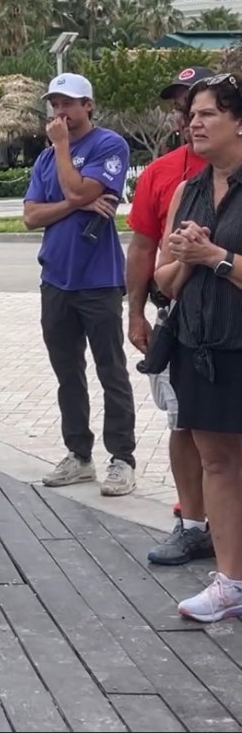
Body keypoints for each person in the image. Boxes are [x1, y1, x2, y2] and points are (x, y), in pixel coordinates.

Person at [23, 73, 137, 497]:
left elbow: (76, 185)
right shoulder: (45, 158)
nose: (60, 113)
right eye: (55, 104)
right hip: (56, 277)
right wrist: (78, 202)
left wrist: (63, 153)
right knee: (66, 371)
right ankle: (79, 455)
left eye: (68, 104)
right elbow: (31, 216)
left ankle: (122, 457)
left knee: (111, 370)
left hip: (99, 279)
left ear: (88, 105)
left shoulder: (109, 145)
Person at [154, 73, 242, 622]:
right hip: (200, 347)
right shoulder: (188, 190)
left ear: (238, 121)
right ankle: (230, 582)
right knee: (217, 461)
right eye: (192, 115)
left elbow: (218, 260)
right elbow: (164, 280)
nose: (194, 123)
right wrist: (188, 258)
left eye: (207, 113)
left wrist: (216, 258)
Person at [127, 67, 212, 567]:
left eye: (201, 106)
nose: (190, 117)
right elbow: (142, 248)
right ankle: (194, 524)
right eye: (184, 107)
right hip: (180, 315)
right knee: (184, 424)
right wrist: (135, 312)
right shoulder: (163, 174)